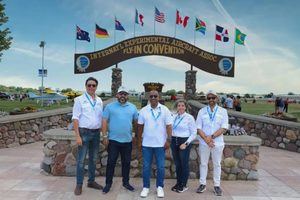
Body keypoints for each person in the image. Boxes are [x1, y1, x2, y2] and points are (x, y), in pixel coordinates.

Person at [101, 86, 138, 194]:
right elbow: (104, 121)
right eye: (120, 94)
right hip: (113, 141)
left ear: (128, 96)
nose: (122, 96)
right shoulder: (109, 107)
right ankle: (108, 184)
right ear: (117, 95)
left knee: (126, 163)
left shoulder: (133, 107)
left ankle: (126, 183)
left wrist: (136, 135)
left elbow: (136, 122)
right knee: (111, 162)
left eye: (125, 94)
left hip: (127, 141)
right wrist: (104, 136)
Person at [137, 90, 173, 198]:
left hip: (160, 144)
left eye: (155, 96)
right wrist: (139, 141)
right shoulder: (144, 110)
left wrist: (168, 140)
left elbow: (169, 126)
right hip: (147, 144)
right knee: (146, 166)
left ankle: (160, 187)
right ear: (148, 97)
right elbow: (139, 127)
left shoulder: (165, 109)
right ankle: (146, 187)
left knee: (161, 167)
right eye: (151, 96)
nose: (153, 97)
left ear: (159, 97)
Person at [72, 77, 103, 195]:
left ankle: (91, 181)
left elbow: (101, 117)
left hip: (96, 133)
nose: (91, 87)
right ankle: (79, 185)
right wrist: (77, 136)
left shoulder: (99, 100)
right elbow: (75, 118)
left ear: (96, 87)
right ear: (85, 86)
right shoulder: (79, 100)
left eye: (93, 85)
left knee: (93, 159)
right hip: (84, 133)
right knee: (81, 160)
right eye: (89, 85)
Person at [196, 90, 228, 196]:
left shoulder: (223, 111)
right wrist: (206, 139)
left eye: (213, 98)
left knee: (217, 164)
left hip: (217, 142)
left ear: (217, 98)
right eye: (209, 98)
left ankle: (217, 186)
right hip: (204, 142)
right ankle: (202, 184)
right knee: (203, 163)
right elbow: (198, 127)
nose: (211, 100)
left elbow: (224, 127)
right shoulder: (202, 111)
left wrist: (211, 137)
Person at [171, 100, 197, 193]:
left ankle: (184, 184)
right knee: (177, 164)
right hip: (174, 141)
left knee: (184, 164)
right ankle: (178, 183)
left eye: (182, 105)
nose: (180, 107)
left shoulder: (189, 117)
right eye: (179, 105)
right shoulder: (174, 116)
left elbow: (194, 133)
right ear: (176, 107)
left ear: (185, 107)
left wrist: (186, 143)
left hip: (184, 142)